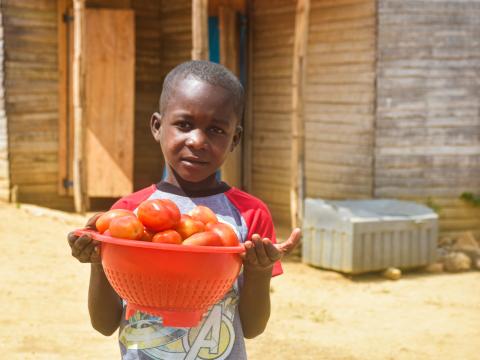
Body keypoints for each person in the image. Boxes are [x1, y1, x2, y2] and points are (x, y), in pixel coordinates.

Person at [68, 60, 301, 360]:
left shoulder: (250, 214)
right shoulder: (127, 214)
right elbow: (104, 324)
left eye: (216, 129)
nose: (198, 141)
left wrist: (259, 270)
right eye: (184, 125)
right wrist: (98, 261)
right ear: (157, 126)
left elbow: (253, 327)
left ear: (235, 139)